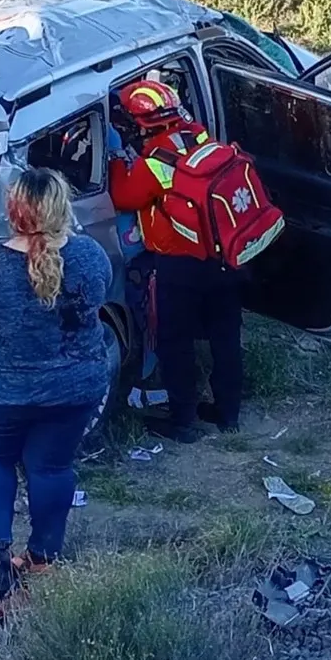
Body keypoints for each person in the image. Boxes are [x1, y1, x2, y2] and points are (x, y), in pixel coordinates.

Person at [0, 168, 111, 572]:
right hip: (75, 387)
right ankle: (43, 556)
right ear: (62, 207)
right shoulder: (90, 254)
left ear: (12, 211)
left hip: (2, 393)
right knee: (51, 467)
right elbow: (99, 295)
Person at [108, 78, 243, 443]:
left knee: (174, 340)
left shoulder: (155, 162)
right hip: (225, 256)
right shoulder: (201, 136)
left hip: (180, 264)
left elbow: (124, 197)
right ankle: (228, 412)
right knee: (225, 335)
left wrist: (118, 160)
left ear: (141, 123)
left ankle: (183, 419)